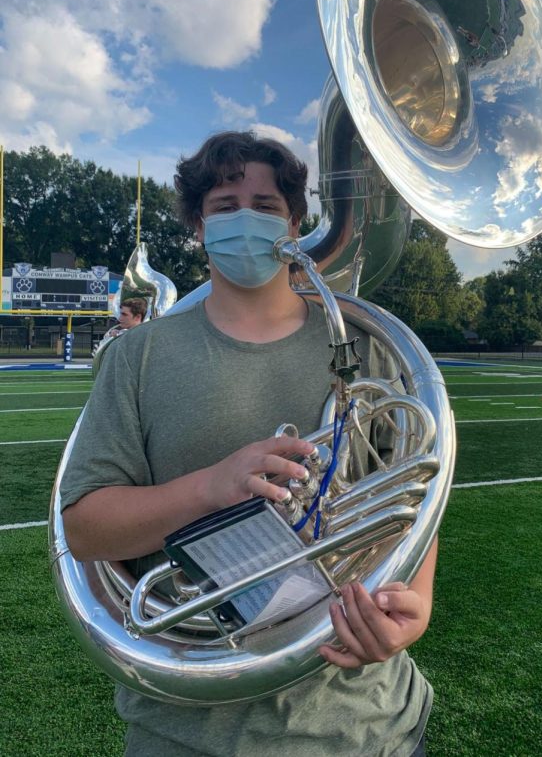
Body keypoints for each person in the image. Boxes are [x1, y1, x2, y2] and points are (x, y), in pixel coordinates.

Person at [60, 131, 436, 757]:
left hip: (367, 725)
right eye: (225, 204)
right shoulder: (137, 356)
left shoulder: (365, 346)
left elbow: (414, 488)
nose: (246, 219)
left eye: (266, 207)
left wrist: (415, 602)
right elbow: (85, 530)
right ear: (200, 230)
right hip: (189, 731)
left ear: (295, 224)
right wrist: (211, 487)